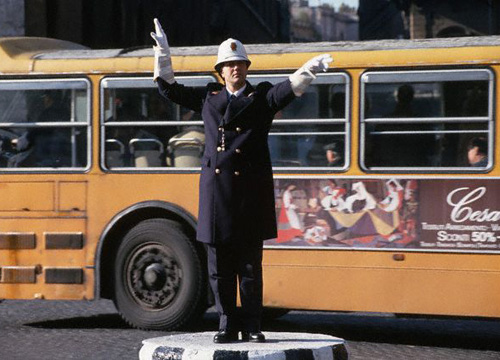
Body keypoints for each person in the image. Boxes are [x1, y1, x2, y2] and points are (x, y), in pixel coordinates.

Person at [151, 18, 332, 343]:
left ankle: (252, 325)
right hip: (217, 196)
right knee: (220, 268)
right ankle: (226, 323)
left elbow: (284, 92)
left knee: (249, 268)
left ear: (247, 68)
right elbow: (170, 90)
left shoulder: (260, 98)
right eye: (229, 65)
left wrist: (306, 72)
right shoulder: (209, 98)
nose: (235, 69)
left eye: (240, 64)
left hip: (248, 195)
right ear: (220, 71)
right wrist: (163, 56)